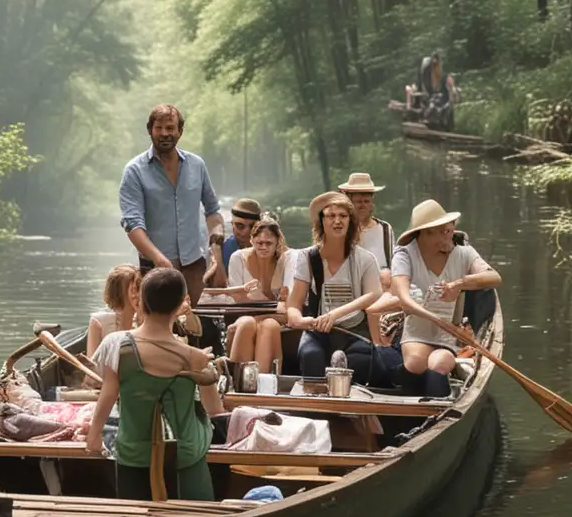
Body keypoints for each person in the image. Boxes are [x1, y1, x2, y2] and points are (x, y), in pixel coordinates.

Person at [84, 267, 223, 500]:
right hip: (185, 456)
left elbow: (107, 395)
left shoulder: (116, 345)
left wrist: (94, 435)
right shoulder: (196, 358)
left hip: (133, 454)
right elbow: (215, 411)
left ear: (142, 303)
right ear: (180, 306)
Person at [390, 198, 501, 396]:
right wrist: (438, 321)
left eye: (450, 230)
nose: (450, 235)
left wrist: (458, 285)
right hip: (417, 332)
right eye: (444, 232)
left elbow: (494, 277)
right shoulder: (405, 255)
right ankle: (407, 397)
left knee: (439, 363)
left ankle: (437, 410)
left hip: (447, 338)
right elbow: (405, 301)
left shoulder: (464, 253)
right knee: (416, 363)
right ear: (426, 233)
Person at [118, 104, 223, 307]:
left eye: (170, 128)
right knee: (160, 327)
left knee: (198, 328)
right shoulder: (134, 170)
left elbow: (213, 211)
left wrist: (216, 253)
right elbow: (133, 225)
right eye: (159, 128)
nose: (165, 133)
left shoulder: (197, 165)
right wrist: (160, 260)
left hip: (195, 265)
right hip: (155, 267)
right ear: (150, 130)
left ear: (179, 131)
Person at [286, 191, 388, 384]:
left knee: (360, 360)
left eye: (343, 216)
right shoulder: (307, 257)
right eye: (331, 216)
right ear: (321, 222)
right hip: (318, 332)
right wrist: (300, 320)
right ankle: (315, 408)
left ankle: (355, 410)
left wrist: (335, 315)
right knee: (311, 355)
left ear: (350, 221)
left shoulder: (365, 259)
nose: (337, 221)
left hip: (354, 331)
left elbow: (374, 293)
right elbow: (293, 305)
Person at [225, 213, 291, 374]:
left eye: (269, 243)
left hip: (275, 319)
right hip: (243, 314)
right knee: (247, 323)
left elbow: (286, 308)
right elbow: (238, 298)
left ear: (277, 243)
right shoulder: (237, 258)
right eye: (259, 242)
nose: (264, 247)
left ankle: (263, 382)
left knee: (268, 326)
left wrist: (259, 303)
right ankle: (240, 382)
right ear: (251, 240)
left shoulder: (287, 260)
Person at [340, 172, 395, 280]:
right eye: (358, 202)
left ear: (372, 202)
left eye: (366, 201)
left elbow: (394, 263)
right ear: (349, 202)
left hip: (381, 286)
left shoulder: (385, 229)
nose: (363, 205)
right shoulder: (341, 228)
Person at [86, 262, 139, 361]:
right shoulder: (98, 322)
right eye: (134, 289)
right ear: (119, 293)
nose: (138, 294)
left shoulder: (148, 319)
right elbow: (92, 363)